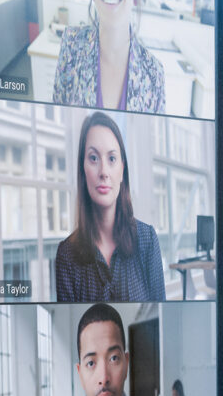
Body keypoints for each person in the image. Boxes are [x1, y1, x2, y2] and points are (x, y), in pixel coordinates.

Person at [53, 112, 165, 302]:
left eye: (111, 159)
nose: (104, 172)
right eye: (94, 158)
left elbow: (161, 320)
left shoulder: (147, 241)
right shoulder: (66, 256)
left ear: (122, 170)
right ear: (82, 169)